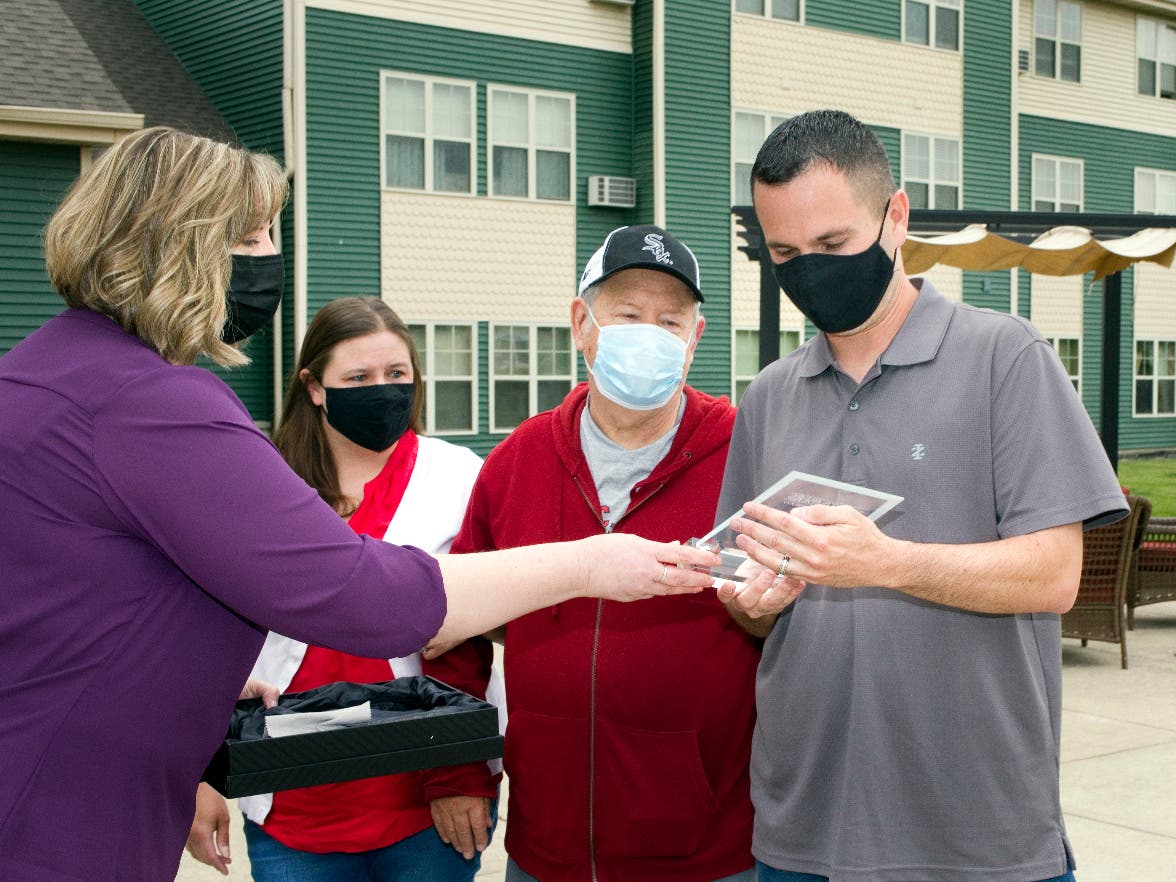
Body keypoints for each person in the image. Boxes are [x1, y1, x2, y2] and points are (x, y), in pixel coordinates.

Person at [0, 127, 718, 882]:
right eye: (251, 235)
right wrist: (592, 561)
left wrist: (196, 678)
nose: (268, 256)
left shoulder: (42, 373)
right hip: (59, 818)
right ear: (180, 245)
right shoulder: (149, 404)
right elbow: (364, 595)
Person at [714, 109, 1129, 882]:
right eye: (784, 253)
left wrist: (887, 562)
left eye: (833, 245)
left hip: (977, 835)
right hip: (803, 831)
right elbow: (738, 598)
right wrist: (755, 600)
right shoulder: (769, 396)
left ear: (895, 216)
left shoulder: (1006, 358)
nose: (810, 269)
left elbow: (1054, 575)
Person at [446, 225, 762, 882]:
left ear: (694, 339)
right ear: (582, 324)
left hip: (706, 852)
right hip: (546, 849)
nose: (650, 333)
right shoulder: (518, 462)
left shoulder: (746, 458)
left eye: (669, 320)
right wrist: (453, 769)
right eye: (627, 314)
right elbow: (455, 624)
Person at [185, 297, 502, 880]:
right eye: (358, 378)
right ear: (313, 387)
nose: (381, 391)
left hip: (425, 799)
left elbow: (475, 635)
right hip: (292, 801)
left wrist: (462, 775)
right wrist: (198, 772)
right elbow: (202, 630)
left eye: (396, 375)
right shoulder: (260, 477)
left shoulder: (459, 476)